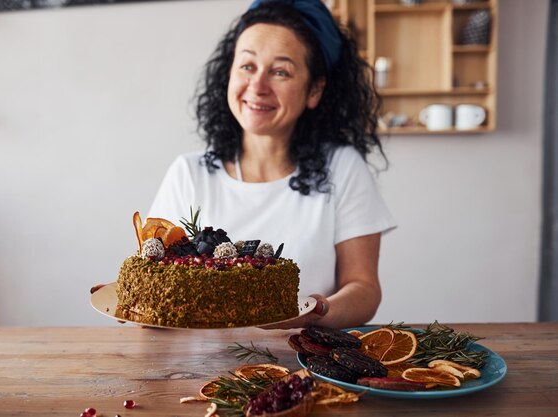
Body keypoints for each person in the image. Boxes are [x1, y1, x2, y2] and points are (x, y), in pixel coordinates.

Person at [147, 0, 396, 329]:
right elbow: (152, 281)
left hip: (304, 366)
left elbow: (364, 290)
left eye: (280, 71)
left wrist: (314, 311)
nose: (258, 86)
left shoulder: (343, 168)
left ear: (315, 90)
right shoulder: (188, 173)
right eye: (247, 66)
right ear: (229, 73)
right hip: (196, 371)